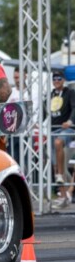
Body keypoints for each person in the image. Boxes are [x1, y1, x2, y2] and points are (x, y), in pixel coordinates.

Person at [49, 71, 75, 208]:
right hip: (53, 130)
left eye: (59, 78)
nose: (57, 80)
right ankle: (64, 196)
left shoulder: (70, 92)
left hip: (67, 130)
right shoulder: (50, 94)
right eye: (54, 78)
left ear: (63, 80)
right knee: (54, 164)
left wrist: (70, 121)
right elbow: (44, 112)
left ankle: (60, 175)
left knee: (59, 142)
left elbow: (74, 108)